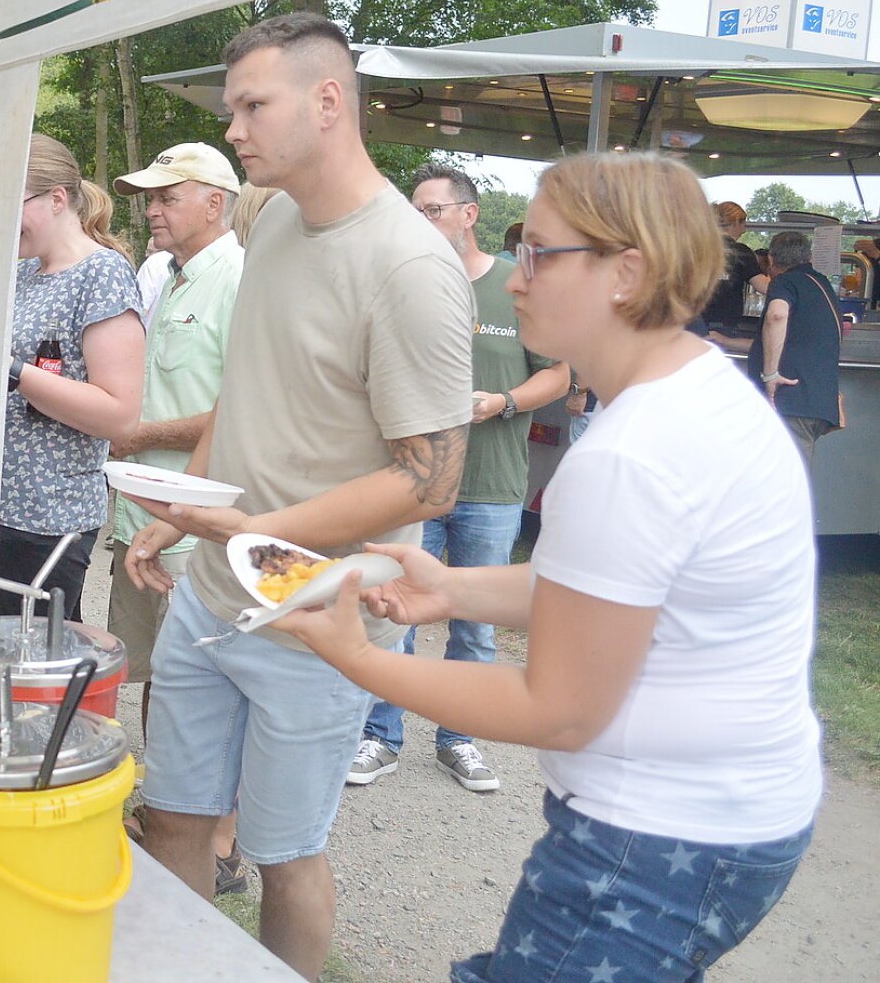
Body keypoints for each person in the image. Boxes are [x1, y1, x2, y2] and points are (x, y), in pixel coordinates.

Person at [269, 150, 820, 982]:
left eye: (539, 253)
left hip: (657, 838)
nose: (516, 277)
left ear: (626, 272)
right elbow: (620, 592)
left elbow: (558, 710)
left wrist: (357, 658)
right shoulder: (701, 387)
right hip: (740, 819)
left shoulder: (630, 456)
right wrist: (450, 587)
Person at [124, 13, 473, 980]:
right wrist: (178, 509)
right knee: (174, 818)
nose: (233, 130)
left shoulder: (409, 265)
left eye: (251, 106)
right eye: (231, 108)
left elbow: (431, 477)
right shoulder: (271, 219)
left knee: (284, 855)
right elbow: (252, 387)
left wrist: (254, 533)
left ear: (328, 102)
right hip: (210, 587)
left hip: (319, 611)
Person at [350, 164, 570, 794]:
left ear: (469, 215)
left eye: (432, 210)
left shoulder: (511, 286)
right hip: (411, 483)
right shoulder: (403, 281)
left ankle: (459, 740)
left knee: (473, 625)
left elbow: (556, 374)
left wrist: (503, 402)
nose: (420, 222)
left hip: (490, 485)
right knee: (396, 613)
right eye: (413, 211)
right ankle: (380, 736)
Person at [106, 142, 247, 894]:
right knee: (162, 673)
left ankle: (218, 846)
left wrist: (142, 435)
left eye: (167, 197)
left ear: (215, 204)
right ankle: (169, 814)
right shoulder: (167, 273)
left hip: (201, 525)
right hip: (147, 518)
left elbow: (244, 411)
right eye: (149, 197)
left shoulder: (239, 279)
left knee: (206, 684)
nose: (151, 209)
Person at [0, 133, 143, 620]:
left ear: (57, 199)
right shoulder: (23, 272)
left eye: (10, 203)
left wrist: (15, 373)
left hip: (48, 518)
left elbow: (120, 414)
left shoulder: (102, 274)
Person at [749, 230, 843, 465]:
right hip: (814, 400)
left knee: (783, 484)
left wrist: (770, 375)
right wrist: (725, 342)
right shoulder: (820, 284)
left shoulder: (786, 282)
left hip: (791, 399)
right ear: (808, 256)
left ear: (771, 259)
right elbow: (787, 339)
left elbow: (777, 316)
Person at [703, 200, 762, 347]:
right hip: (725, 323)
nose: (744, 230)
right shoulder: (740, 252)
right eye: (743, 224)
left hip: (694, 321)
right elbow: (763, 286)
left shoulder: (697, 248)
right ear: (735, 222)